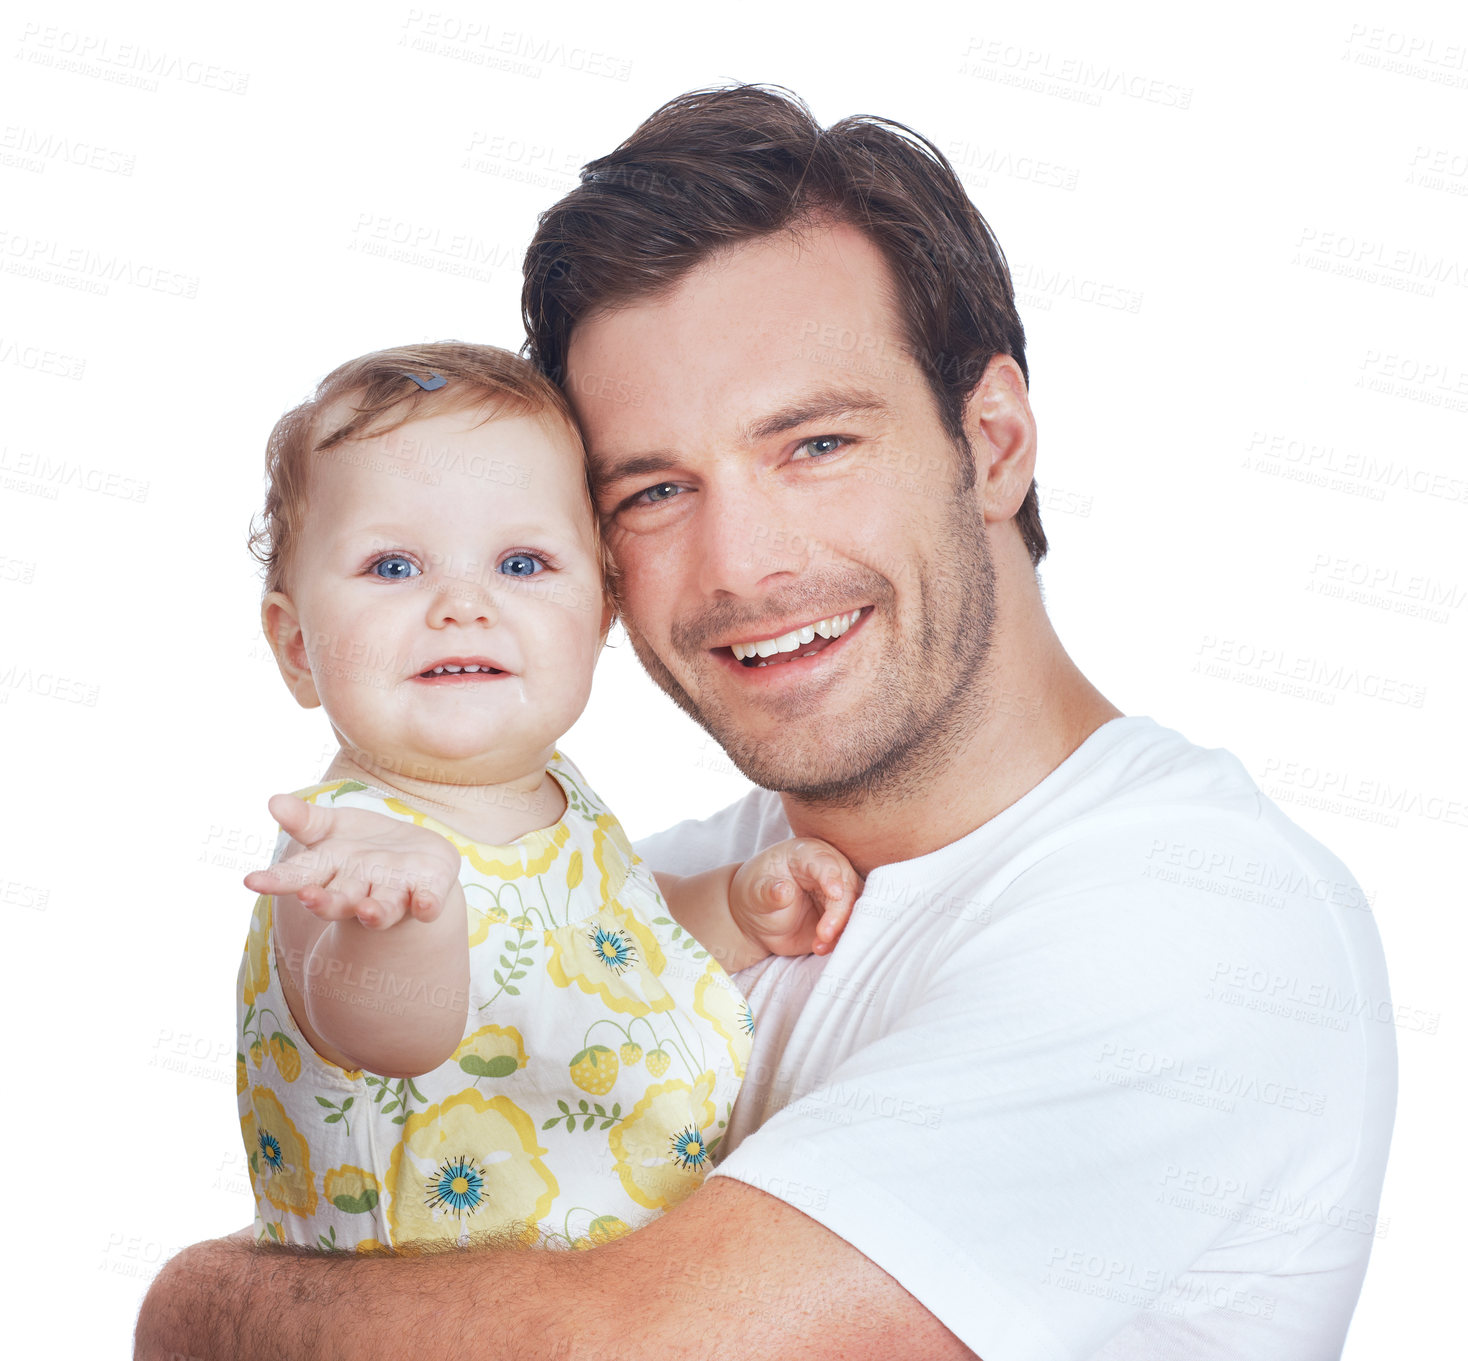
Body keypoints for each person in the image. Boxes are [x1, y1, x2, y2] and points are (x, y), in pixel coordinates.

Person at [138, 85, 1396, 1360]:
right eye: (658, 488)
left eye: (815, 445)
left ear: (995, 439)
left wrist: (196, 1306)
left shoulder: (1190, 918)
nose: (741, 562)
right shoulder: (659, 886)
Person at [233, 340, 860, 1253]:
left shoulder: (556, 793)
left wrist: (731, 904)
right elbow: (388, 1028)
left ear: (601, 613)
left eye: (521, 564)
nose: (461, 603)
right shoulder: (348, 851)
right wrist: (405, 915)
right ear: (296, 646)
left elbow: (610, 935)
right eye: (393, 567)